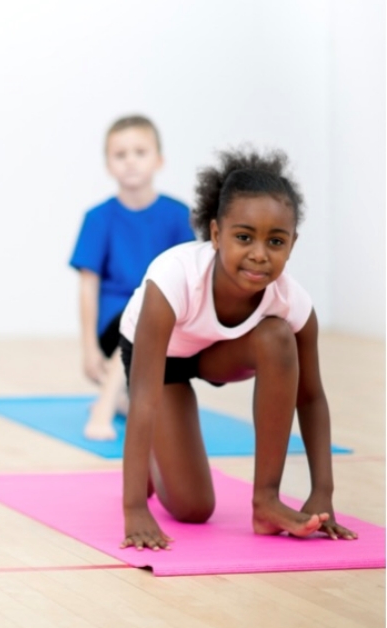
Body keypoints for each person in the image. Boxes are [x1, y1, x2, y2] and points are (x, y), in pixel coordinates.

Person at [119, 148, 358, 550]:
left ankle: (266, 501)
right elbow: (142, 399)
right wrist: (133, 510)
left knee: (277, 337)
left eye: (276, 240)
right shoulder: (172, 278)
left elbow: (312, 398)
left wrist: (323, 493)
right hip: (164, 365)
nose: (259, 254)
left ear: (292, 244)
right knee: (193, 508)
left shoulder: (292, 302)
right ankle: (154, 463)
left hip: (217, 352)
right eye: (244, 237)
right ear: (215, 234)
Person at [70, 115, 195, 440]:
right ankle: (104, 407)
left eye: (140, 152)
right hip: (114, 323)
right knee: (139, 323)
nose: (130, 162)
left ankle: (123, 399)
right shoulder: (98, 218)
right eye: (120, 154)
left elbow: (188, 277)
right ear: (108, 164)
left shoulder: (178, 215)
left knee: (150, 319)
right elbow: (88, 285)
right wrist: (88, 349)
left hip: (164, 319)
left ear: (158, 160)